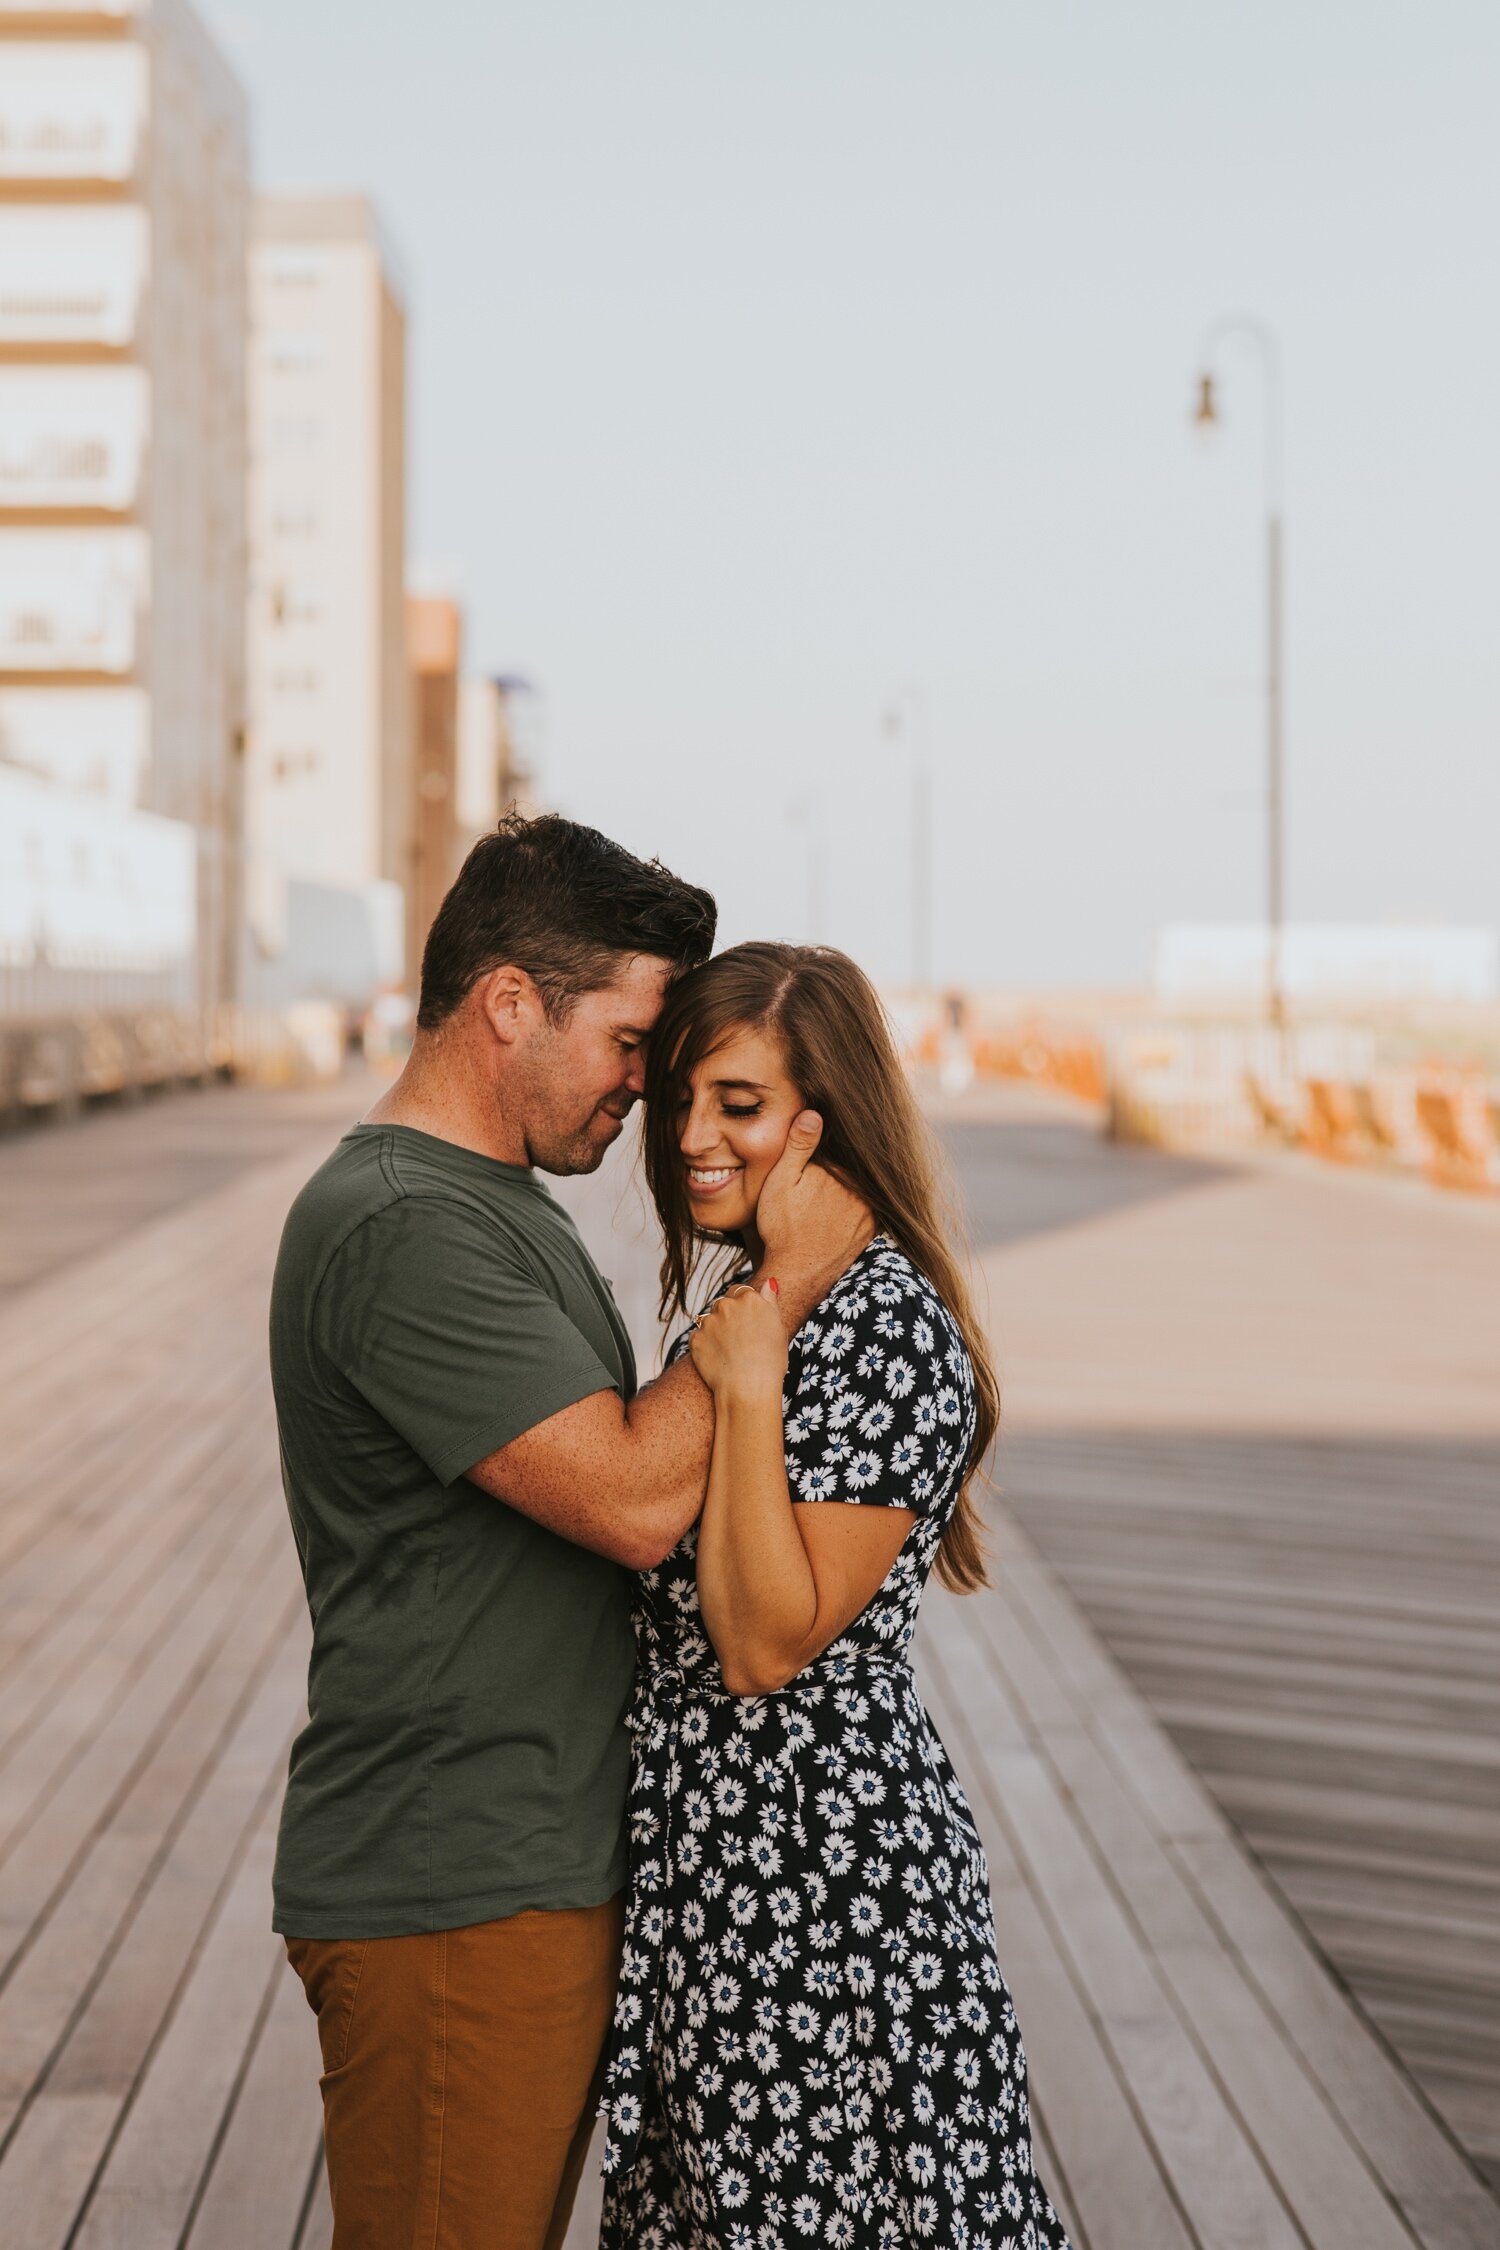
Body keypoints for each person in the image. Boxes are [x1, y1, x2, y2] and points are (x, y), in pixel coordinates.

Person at [270, 818, 870, 2250]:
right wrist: (786, 1279)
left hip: (519, 1872)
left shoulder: (490, 1206)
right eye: (627, 1042)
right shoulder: (400, 1223)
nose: (645, 1092)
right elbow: (629, 1499)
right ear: (509, 1005)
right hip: (452, 1880)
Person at [598, 942, 1073, 2250]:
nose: (692, 1134)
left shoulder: (879, 1325)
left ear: (825, 1118)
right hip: (725, 1866)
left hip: (821, 1886)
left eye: (738, 1103)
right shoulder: (773, 1297)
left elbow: (760, 1641)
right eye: (683, 1095)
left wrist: (751, 1373)